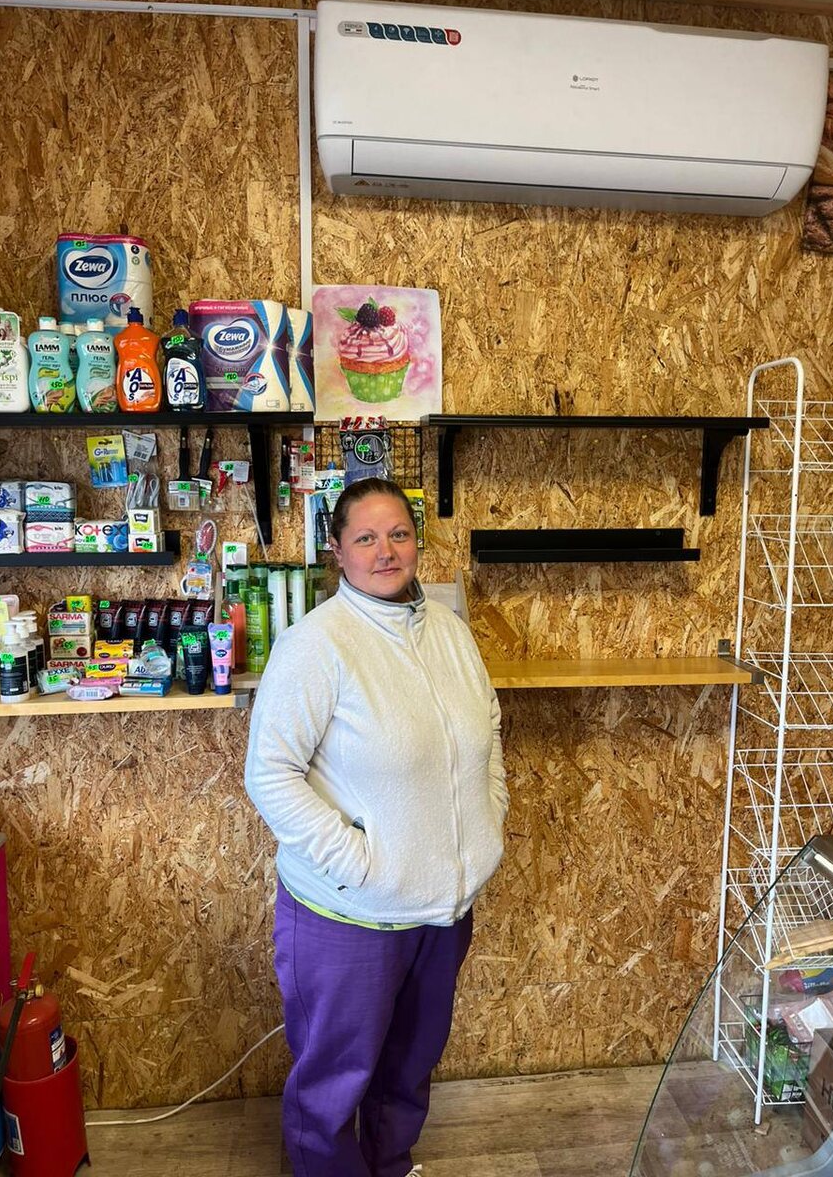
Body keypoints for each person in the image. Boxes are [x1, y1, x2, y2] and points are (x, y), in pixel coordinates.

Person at [245, 477, 508, 1177]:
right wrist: (360, 864)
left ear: (417, 542)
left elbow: (488, 728)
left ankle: (391, 1166)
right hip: (349, 917)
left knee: (408, 1071)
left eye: (398, 534)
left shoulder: (450, 632)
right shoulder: (316, 644)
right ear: (337, 550)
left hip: (442, 911)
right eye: (365, 537)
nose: (385, 551)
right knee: (333, 1085)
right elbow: (269, 774)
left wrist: (490, 817)